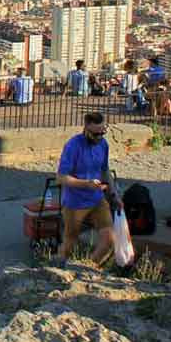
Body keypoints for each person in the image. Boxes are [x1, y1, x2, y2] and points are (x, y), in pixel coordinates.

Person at [56, 112, 113, 265]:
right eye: (96, 134)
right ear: (86, 128)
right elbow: (61, 178)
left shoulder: (103, 144)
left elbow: (104, 170)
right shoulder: (73, 146)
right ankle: (58, 269)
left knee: (109, 240)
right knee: (69, 243)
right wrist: (86, 184)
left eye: (103, 132)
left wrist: (114, 194)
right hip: (75, 202)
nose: (100, 137)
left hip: (97, 199)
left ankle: (89, 268)